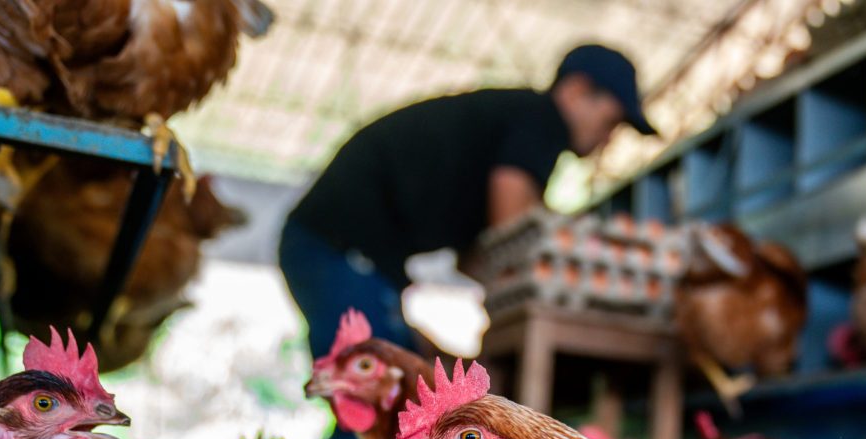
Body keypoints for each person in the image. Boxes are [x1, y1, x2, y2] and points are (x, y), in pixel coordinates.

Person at [280, 43, 655, 364]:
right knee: (374, 387)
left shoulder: (497, 138)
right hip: (333, 245)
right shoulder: (542, 120)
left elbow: (475, 258)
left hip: (344, 249)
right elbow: (513, 229)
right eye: (611, 121)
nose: (608, 138)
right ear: (576, 92)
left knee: (400, 368)